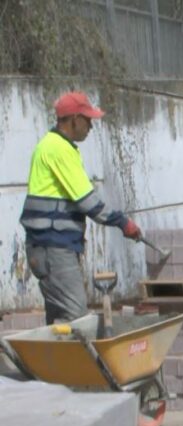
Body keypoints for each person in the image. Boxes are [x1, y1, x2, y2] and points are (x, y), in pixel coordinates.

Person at [20, 92, 142, 325]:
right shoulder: (59, 150)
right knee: (77, 319)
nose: (91, 127)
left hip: (47, 246)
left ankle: (52, 362)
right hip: (53, 248)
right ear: (74, 119)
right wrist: (123, 223)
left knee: (61, 321)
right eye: (88, 120)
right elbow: (89, 202)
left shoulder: (51, 146)